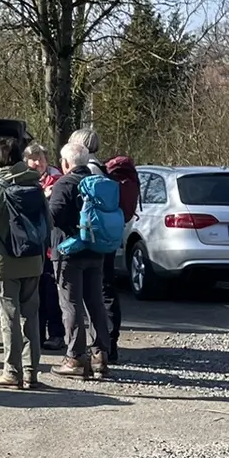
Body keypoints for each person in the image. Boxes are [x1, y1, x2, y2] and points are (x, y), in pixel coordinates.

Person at [0, 137, 49, 389]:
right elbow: (47, 224)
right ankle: (31, 372)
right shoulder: (35, 185)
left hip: (2, 263)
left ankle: (12, 371)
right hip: (33, 260)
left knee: (9, 318)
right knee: (31, 317)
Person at [49, 138, 119, 381]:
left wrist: (48, 198)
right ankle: (101, 355)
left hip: (69, 253)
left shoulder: (64, 184)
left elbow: (53, 217)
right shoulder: (100, 183)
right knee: (95, 303)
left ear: (66, 163)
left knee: (71, 304)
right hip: (96, 251)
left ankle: (76, 358)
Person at [25, 141, 66, 352]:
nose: (37, 162)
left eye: (40, 158)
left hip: (51, 247)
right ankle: (36, 335)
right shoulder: (24, 182)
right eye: (33, 159)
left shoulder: (57, 180)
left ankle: (57, 334)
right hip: (32, 246)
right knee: (35, 294)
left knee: (52, 294)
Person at [103, 155, 141, 363]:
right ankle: (110, 344)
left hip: (90, 241)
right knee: (108, 290)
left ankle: (100, 348)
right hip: (110, 237)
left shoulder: (96, 173)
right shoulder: (110, 174)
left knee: (92, 294)